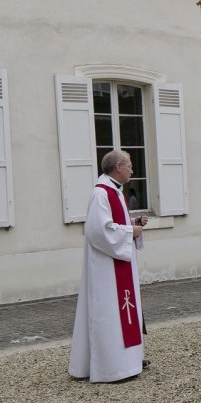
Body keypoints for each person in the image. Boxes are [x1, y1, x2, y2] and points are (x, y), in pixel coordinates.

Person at [69, 149, 148, 383]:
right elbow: (97, 230)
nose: (133, 169)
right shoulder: (101, 193)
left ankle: (128, 361)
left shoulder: (114, 191)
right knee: (110, 313)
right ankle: (112, 368)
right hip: (106, 269)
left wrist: (132, 223)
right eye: (130, 165)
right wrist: (129, 231)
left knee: (121, 312)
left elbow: (112, 224)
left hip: (117, 263)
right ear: (118, 167)